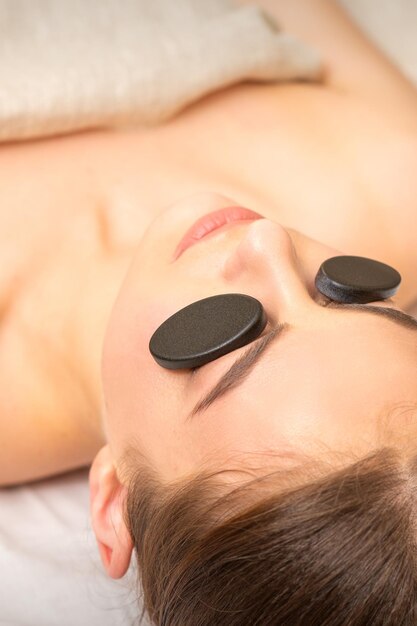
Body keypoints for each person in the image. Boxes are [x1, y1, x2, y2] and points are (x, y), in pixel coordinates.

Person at [1, 0, 417, 623]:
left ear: (116, 500)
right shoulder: (394, 183)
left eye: (231, 336)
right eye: (352, 292)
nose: (269, 241)